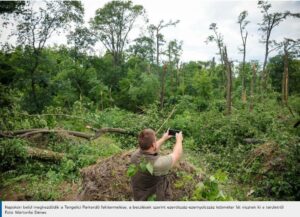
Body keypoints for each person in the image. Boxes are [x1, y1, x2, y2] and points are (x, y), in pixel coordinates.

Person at [130, 128, 183, 201]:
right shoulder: (158, 164)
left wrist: (163, 138)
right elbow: (177, 154)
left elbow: (150, 148)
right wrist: (179, 140)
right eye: (155, 139)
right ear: (153, 144)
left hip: (139, 197)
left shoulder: (134, 156)